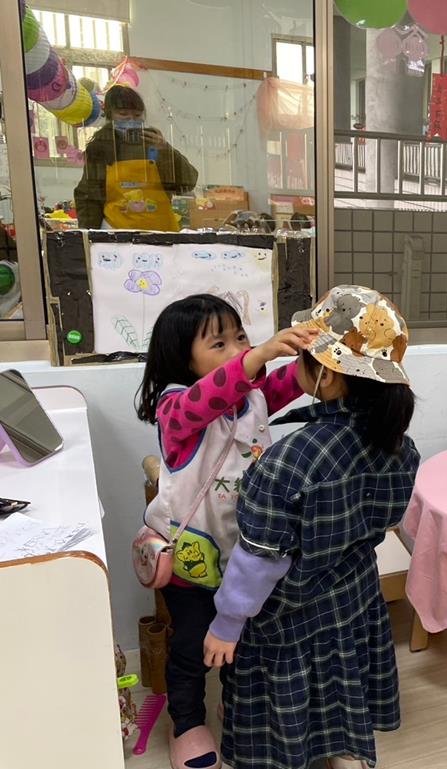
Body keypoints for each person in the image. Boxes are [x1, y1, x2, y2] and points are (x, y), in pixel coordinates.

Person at [202, 286, 419, 769]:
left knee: (288, 694)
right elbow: (384, 520)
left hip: (288, 615)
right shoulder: (401, 447)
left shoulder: (286, 463)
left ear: (326, 373)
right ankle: (345, 753)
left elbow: (257, 562)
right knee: (340, 682)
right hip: (354, 597)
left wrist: (226, 624)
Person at [136, 294, 316, 769]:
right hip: (191, 560)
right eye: (219, 343)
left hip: (246, 554)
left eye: (241, 337)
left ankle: (235, 706)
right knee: (192, 645)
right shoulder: (175, 407)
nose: (238, 349)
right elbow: (208, 398)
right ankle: (187, 722)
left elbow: (294, 380)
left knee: (245, 640)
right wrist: (257, 356)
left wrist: (316, 347)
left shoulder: (253, 396)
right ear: (183, 358)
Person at [74, 85, 197, 231]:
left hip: (161, 231)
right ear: (109, 115)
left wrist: (166, 150)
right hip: (117, 232)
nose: (131, 119)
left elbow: (188, 182)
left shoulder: (154, 143)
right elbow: (88, 197)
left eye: (137, 115)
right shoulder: (100, 148)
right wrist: (90, 234)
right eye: (123, 114)